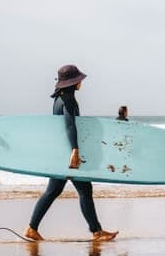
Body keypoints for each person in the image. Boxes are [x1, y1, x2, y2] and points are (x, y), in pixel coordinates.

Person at [24, 64, 118, 242]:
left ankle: (32, 228)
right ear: (73, 82)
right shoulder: (68, 99)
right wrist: (75, 150)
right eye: (79, 79)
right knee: (83, 190)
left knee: (54, 191)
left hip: (61, 154)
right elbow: (69, 125)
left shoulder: (59, 98)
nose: (81, 82)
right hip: (68, 154)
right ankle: (96, 231)